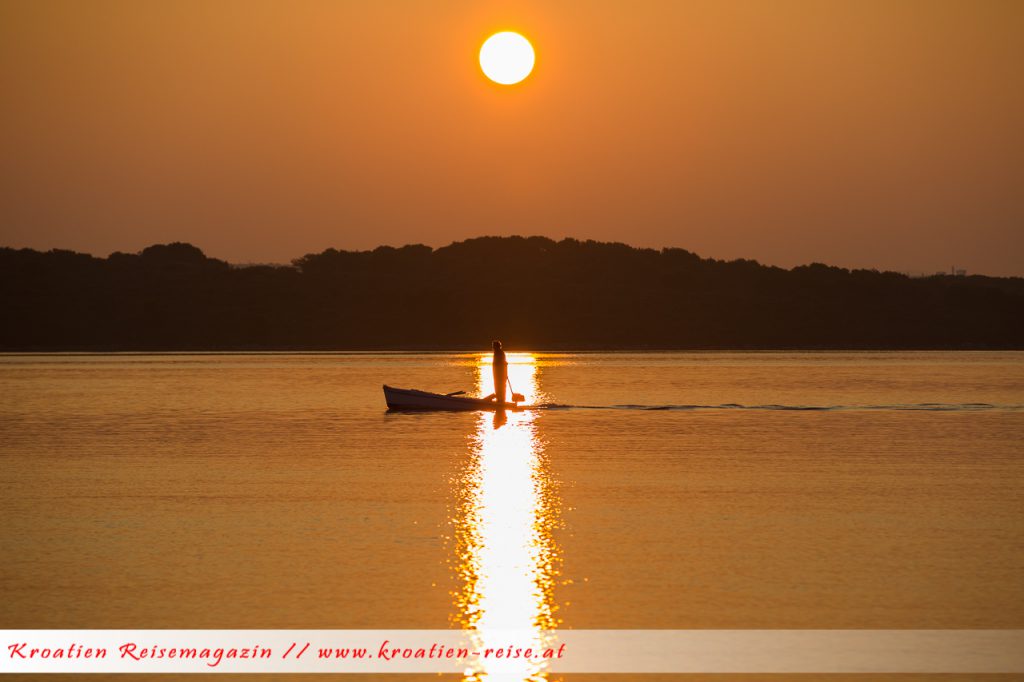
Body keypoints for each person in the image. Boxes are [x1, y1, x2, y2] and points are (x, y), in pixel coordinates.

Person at [490, 340, 508, 404]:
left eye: (493, 346)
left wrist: (505, 374)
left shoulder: (500, 353)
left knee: (501, 386)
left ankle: (501, 400)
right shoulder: (497, 353)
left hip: (500, 374)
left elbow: (504, 363)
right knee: (497, 386)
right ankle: (499, 400)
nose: (492, 348)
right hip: (497, 374)